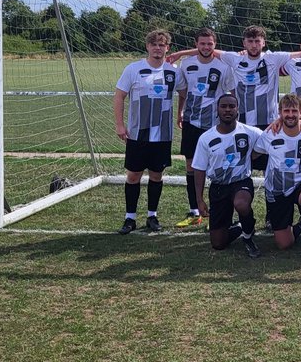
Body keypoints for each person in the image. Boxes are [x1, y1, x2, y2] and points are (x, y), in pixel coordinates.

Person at [113, 29, 178, 234]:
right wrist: (120, 125)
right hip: (137, 133)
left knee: (156, 176)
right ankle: (129, 218)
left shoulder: (174, 71)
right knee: (133, 175)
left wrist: (181, 113)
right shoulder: (133, 69)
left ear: (167, 48)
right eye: (154, 44)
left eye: (162, 45)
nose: (158, 48)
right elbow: (119, 97)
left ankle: (152, 215)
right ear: (147, 47)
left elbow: (184, 92)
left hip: (162, 134)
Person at [171, 27, 236, 228]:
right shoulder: (186, 64)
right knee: (191, 166)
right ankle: (194, 211)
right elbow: (183, 92)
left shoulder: (223, 66)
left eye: (210, 43)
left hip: (214, 125)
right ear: (196, 44)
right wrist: (179, 112)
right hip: (192, 121)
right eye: (202, 43)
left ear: (215, 45)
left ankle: (218, 212)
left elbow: (232, 93)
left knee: (218, 166)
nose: (206, 47)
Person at [191, 93, 264, 258]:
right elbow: (199, 169)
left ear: (237, 110)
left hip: (241, 182)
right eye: (223, 106)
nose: (228, 110)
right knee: (218, 244)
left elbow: (268, 140)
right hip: (218, 187)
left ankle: (248, 236)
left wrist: (251, 156)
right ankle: (240, 227)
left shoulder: (250, 132)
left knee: (241, 204)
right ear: (217, 110)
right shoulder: (206, 138)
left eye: (232, 106)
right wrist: (199, 199)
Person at [257, 94, 301, 263]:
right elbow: (253, 155)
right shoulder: (269, 134)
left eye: (294, 111)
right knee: (284, 244)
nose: (290, 115)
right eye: (286, 111)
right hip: (277, 189)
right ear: (279, 112)